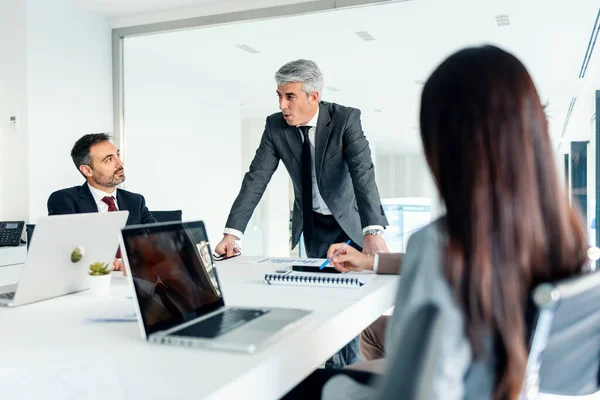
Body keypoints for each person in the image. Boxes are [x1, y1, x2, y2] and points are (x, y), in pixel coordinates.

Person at [289, 45, 589, 399]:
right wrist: (373, 262)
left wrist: (333, 387)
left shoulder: (441, 245)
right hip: (500, 383)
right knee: (368, 333)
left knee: (300, 381)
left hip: (449, 384)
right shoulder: (560, 233)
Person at [214, 59, 389, 260]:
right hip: (313, 226)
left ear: (313, 97)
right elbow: (256, 178)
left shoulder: (345, 119)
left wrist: (373, 231)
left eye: (290, 97)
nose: (282, 105)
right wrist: (232, 234)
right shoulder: (275, 126)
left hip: (352, 223)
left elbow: (363, 172)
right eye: (279, 96)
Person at [47, 133, 156, 271]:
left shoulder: (135, 201)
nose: (120, 163)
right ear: (87, 170)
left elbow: (158, 239)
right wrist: (98, 256)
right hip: (91, 280)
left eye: (117, 155)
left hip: (132, 279)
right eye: (109, 159)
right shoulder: (65, 200)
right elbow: (62, 246)